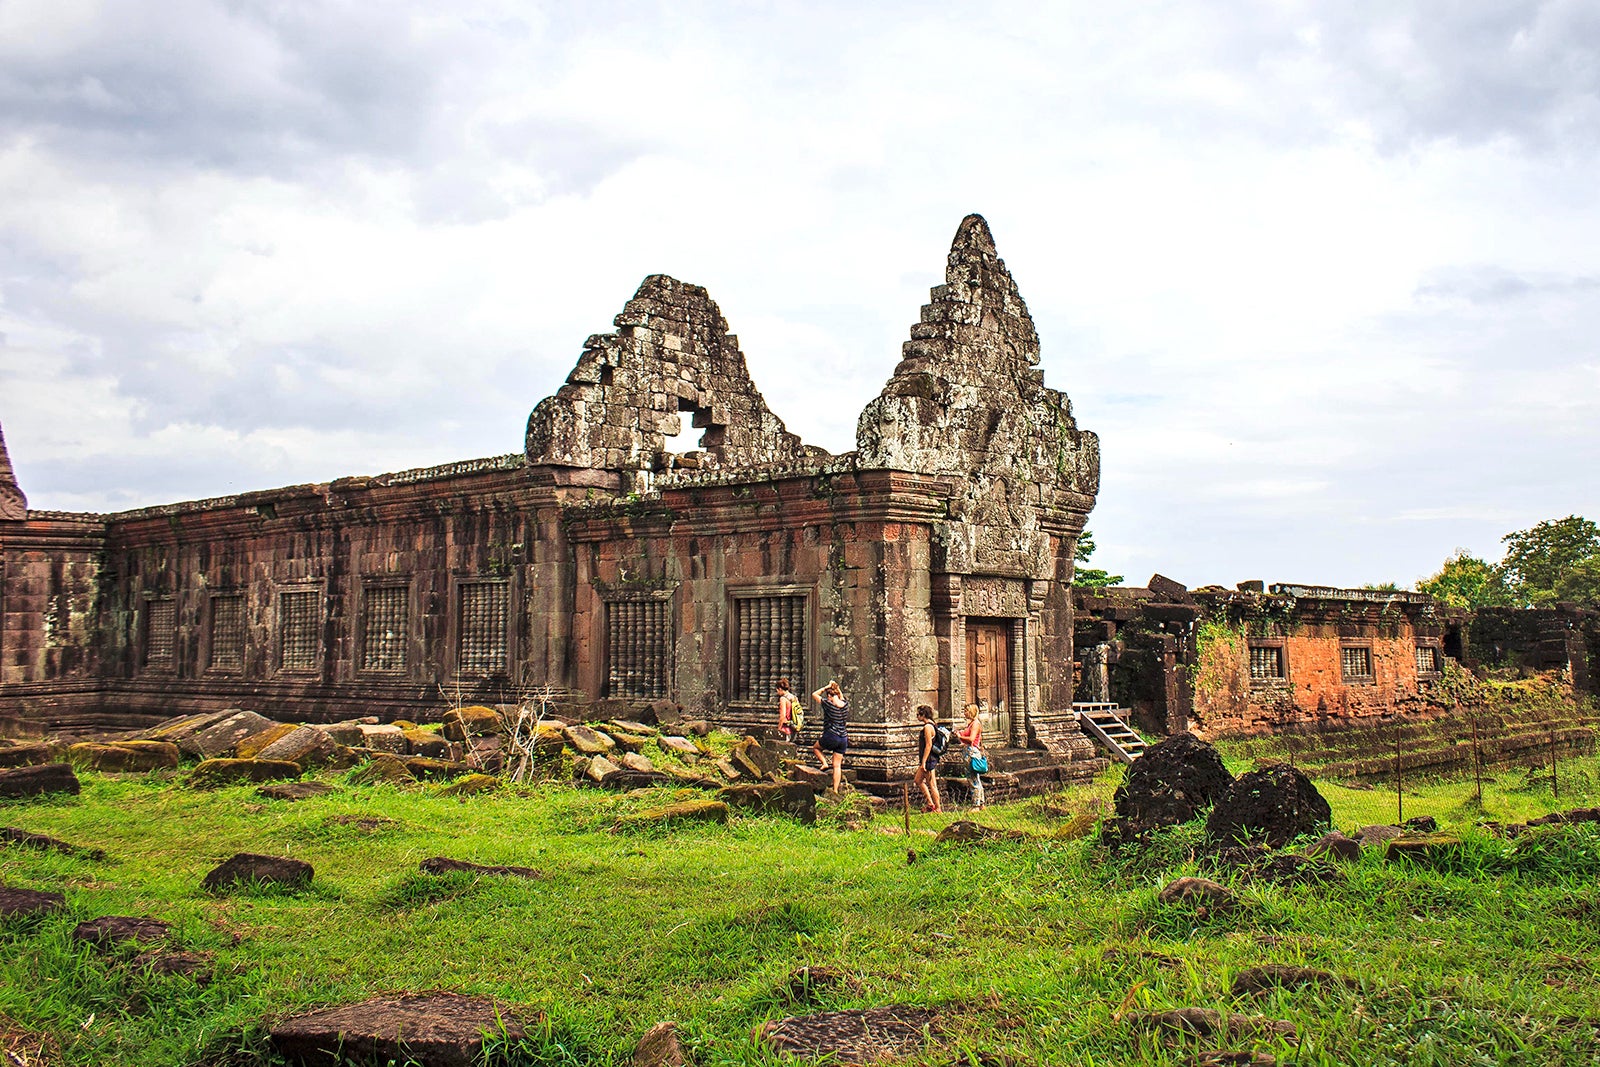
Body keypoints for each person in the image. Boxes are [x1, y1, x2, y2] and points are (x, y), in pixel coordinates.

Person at [811, 680, 849, 791]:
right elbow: (840, 697)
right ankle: (835, 790)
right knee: (837, 765)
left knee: (816, 748)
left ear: (829, 696)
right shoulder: (845, 704)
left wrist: (826, 687)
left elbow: (814, 694)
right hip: (843, 738)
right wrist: (836, 688)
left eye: (829, 697)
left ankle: (824, 763)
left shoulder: (828, 704)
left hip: (831, 735)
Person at [913, 704, 946, 813]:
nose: (917, 717)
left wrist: (923, 762)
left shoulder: (928, 727)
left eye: (918, 714)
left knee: (932, 784)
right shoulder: (932, 724)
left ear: (923, 715)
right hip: (927, 759)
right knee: (918, 780)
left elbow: (928, 745)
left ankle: (938, 808)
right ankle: (930, 803)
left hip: (928, 759)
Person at [957, 702, 986, 810]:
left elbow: (971, 739)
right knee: (976, 778)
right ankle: (981, 803)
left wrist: (960, 736)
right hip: (971, 750)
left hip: (971, 752)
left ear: (971, 712)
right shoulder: (972, 724)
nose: (964, 713)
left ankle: (976, 805)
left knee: (972, 779)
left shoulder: (975, 724)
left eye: (966, 711)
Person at [776, 678, 800, 743]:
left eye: (777, 690)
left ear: (780, 689)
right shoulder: (794, 698)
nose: (777, 693)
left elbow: (783, 716)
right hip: (793, 727)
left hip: (786, 728)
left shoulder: (783, 699)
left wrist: (778, 729)